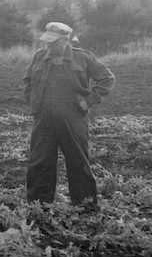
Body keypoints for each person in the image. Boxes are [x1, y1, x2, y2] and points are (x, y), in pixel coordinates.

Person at [23, 22, 115, 211]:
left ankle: (85, 208)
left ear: (65, 40)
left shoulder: (83, 57)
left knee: (78, 162)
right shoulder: (39, 57)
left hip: (72, 119)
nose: (48, 46)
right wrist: (34, 104)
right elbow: (28, 81)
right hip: (44, 119)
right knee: (40, 162)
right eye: (47, 41)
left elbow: (107, 79)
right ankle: (39, 208)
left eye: (53, 42)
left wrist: (88, 101)